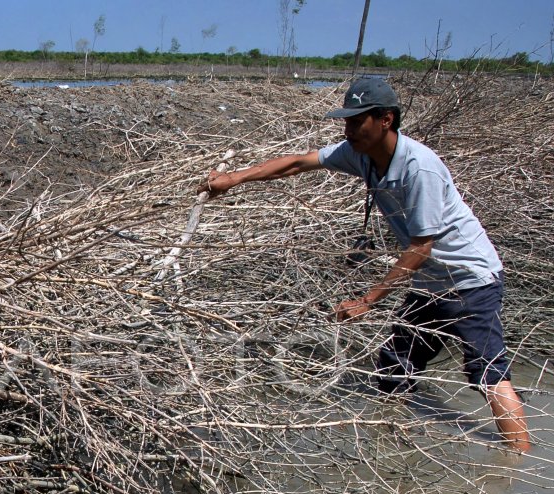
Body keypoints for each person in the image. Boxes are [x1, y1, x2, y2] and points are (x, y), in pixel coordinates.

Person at [198, 77, 530, 452]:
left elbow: (421, 247)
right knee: (394, 364)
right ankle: (391, 442)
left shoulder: (419, 168)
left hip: (470, 279)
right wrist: (233, 178)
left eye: (358, 121)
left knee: (486, 371)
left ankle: (518, 461)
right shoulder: (360, 154)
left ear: (385, 119)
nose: (349, 129)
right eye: (347, 122)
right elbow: (297, 163)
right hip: (431, 284)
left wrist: (367, 300)